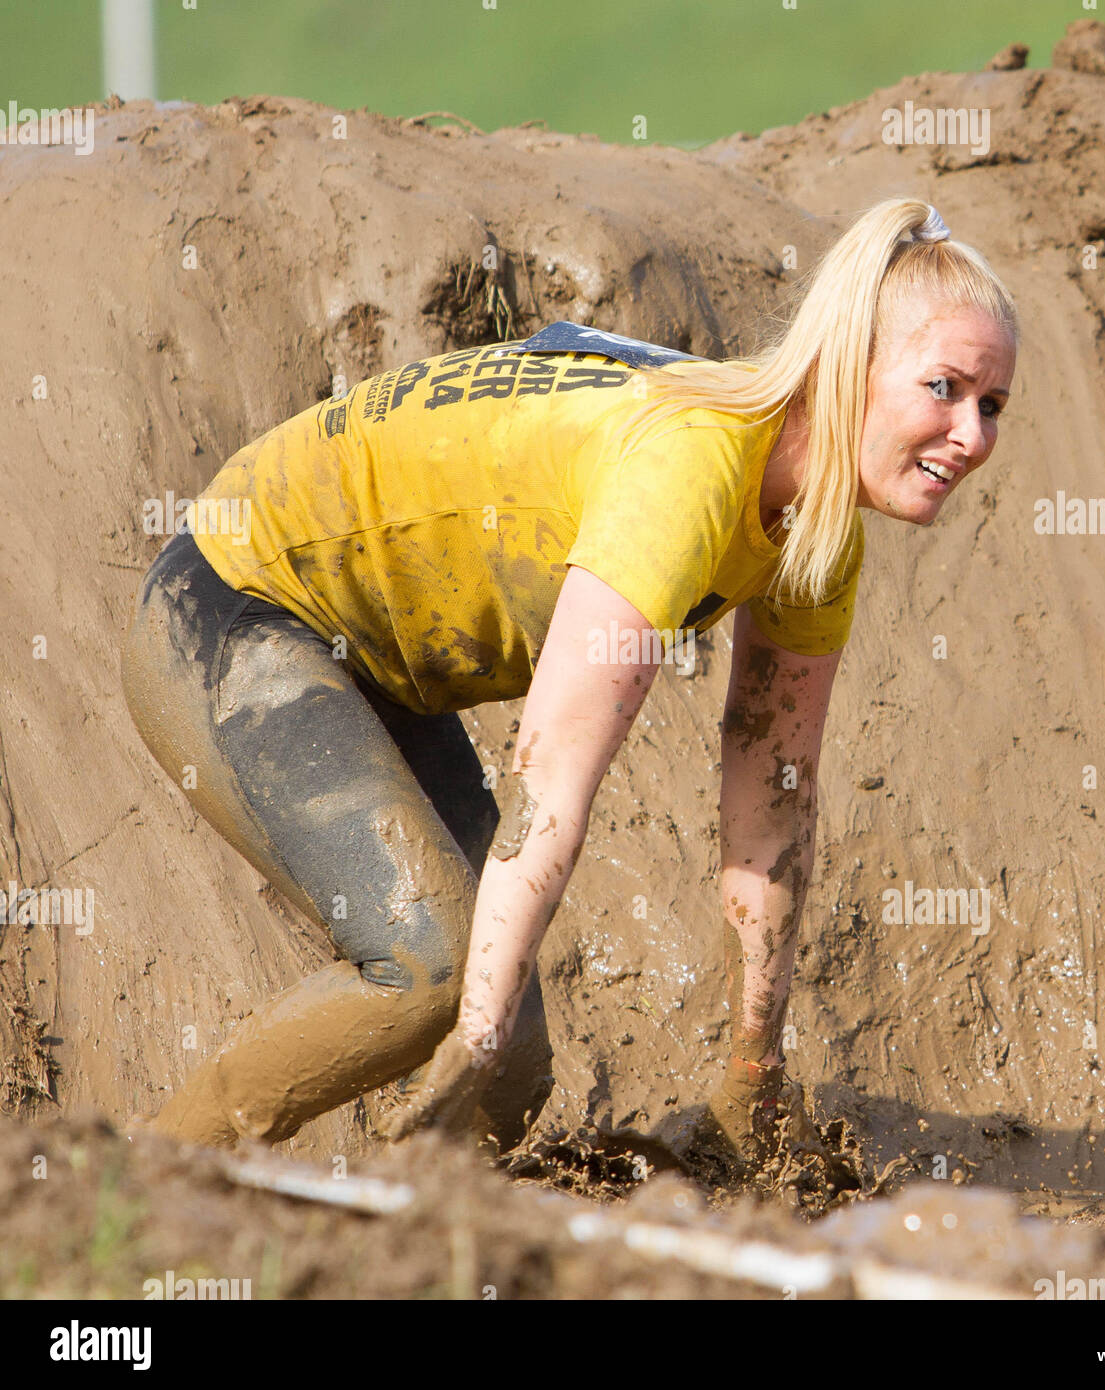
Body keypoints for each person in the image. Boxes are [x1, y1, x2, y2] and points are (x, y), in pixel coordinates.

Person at [121, 197, 1017, 1172]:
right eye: (943, 387)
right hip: (238, 604)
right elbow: (552, 775)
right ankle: (124, 1199)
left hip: (378, 667)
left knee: (511, 1080)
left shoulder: (815, 532)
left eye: (992, 403)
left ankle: (410, 1260)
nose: (969, 434)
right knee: (433, 974)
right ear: (849, 365)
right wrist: (472, 1020)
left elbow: (773, 795)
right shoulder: (691, 468)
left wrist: (754, 1068)